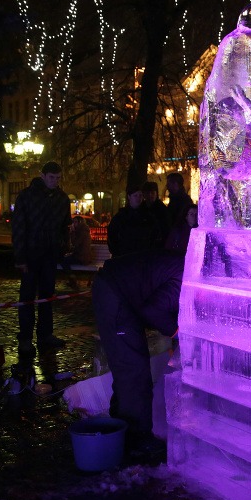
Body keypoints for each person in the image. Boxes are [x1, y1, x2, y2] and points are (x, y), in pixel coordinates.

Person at [93, 249, 185, 458]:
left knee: (129, 364)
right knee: (133, 368)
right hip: (115, 294)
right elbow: (152, 310)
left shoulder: (185, 266)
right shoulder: (184, 276)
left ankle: (121, 428)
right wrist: (178, 333)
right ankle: (136, 437)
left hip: (118, 290)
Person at [12, 161, 71, 354]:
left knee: (47, 297)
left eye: (58, 178)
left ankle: (45, 334)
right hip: (31, 254)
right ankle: (25, 338)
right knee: (27, 298)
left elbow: (65, 227)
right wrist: (20, 258)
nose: (55, 181)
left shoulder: (62, 198)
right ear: (43, 176)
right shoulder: (27, 197)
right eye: (52, 177)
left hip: (50, 254)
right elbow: (19, 228)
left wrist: (62, 248)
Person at [107, 183, 160, 258]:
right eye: (135, 195)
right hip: (124, 257)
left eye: (140, 195)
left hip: (142, 257)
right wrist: (118, 252)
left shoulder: (148, 216)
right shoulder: (121, 216)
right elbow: (112, 235)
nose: (138, 198)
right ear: (129, 197)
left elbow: (155, 234)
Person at [61, 215, 93, 288]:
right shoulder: (83, 230)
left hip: (82, 258)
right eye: (73, 222)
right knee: (65, 259)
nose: (73, 224)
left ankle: (72, 279)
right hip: (81, 256)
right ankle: (72, 279)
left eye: (75, 222)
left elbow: (75, 243)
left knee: (63, 261)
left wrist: (72, 232)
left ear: (80, 222)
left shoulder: (82, 231)